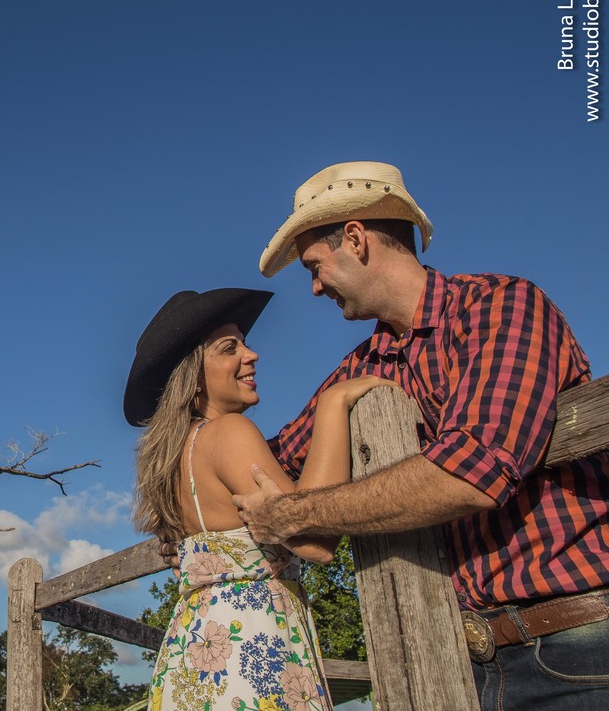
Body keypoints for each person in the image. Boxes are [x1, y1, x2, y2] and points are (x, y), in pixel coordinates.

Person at [230, 160, 607, 710]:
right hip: (464, 663)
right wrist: (184, 501)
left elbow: (472, 472)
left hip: (577, 646)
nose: (313, 288)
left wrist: (293, 515)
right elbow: (272, 460)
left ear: (355, 239)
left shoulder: (501, 306)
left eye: (314, 265)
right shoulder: (366, 364)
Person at [125, 287, 395, 711]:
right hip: (254, 653)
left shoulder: (176, 460)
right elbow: (315, 542)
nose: (251, 355)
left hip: (193, 657)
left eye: (245, 344)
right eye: (230, 347)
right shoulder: (229, 433)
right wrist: (332, 403)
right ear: (192, 373)